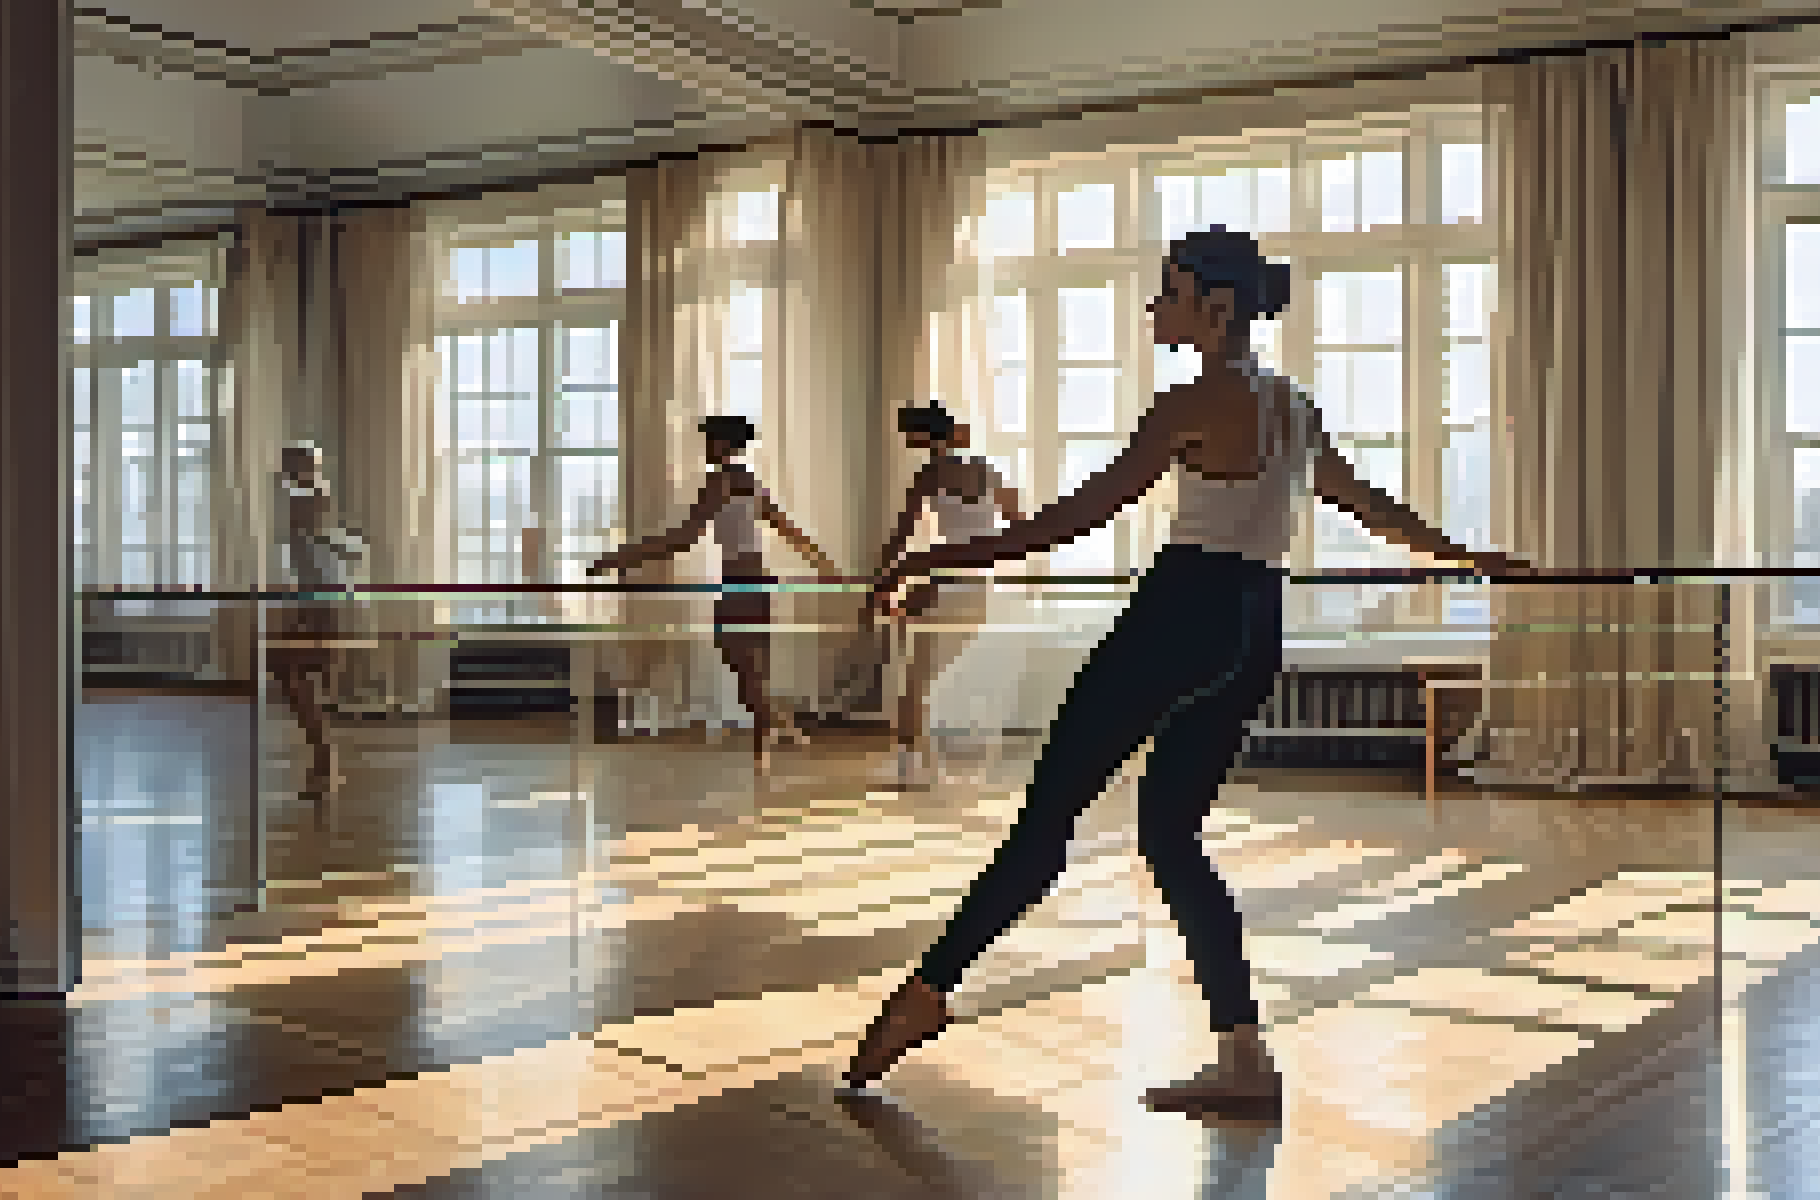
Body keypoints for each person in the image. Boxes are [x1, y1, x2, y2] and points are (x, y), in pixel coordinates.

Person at [841, 227, 1521, 1119]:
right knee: (1169, 837)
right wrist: (1463, 555)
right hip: (1253, 626)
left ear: (1218, 305)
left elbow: (1068, 520)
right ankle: (1244, 1051)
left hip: (1181, 611)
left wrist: (930, 564)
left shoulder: (1187, 406)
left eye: (1169, 291)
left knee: (1048, 816)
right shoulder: (1296, 407)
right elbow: (1371, 506)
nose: (1154, 308)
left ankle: (928, 993)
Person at [588, 415, 839, 767]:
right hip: (754, 584)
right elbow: (787, 529)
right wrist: (823, 563)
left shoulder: (719, 482)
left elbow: (681, 539)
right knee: (749, 669)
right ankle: (778, 732)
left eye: (709, 441)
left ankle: (771, 739)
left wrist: (620, 557)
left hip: (742, 584)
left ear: (723, 444)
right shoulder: (748, 481)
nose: (705, 448)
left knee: (746, 668)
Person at [873, 405, 1023, 776]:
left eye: (910, 434)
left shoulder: (929, 474)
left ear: (925, 436)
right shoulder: (987, 471)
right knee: (933, 678)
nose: (906, 441)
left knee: (917, 678)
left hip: (944, 583)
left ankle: (909, 763)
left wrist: (879, 579)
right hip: (976, 587)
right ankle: (925, 760)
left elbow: (902, 535)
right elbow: (1019, 525)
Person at [272, 442, 368, 796]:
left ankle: (325, 761)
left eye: (288, 466)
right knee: (294, 672)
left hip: (324, 598)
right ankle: (323, 760)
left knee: (293, 670)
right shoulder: (311, 505)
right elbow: (325, 555)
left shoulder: (308, 499)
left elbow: (318, 565)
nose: (283, 474)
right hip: (323, 597)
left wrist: (306, 611)